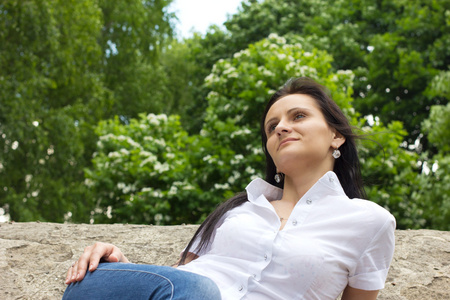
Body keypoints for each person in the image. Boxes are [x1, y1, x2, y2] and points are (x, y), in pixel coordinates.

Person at [63, 77, 396, 300]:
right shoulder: (238, 210)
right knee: (97, 279)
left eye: (298, 116)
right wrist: (125, 267)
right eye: (272, 126)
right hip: (192, 291)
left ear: (336, 136)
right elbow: (177, 282)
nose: (281, 127)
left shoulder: (370, 222)